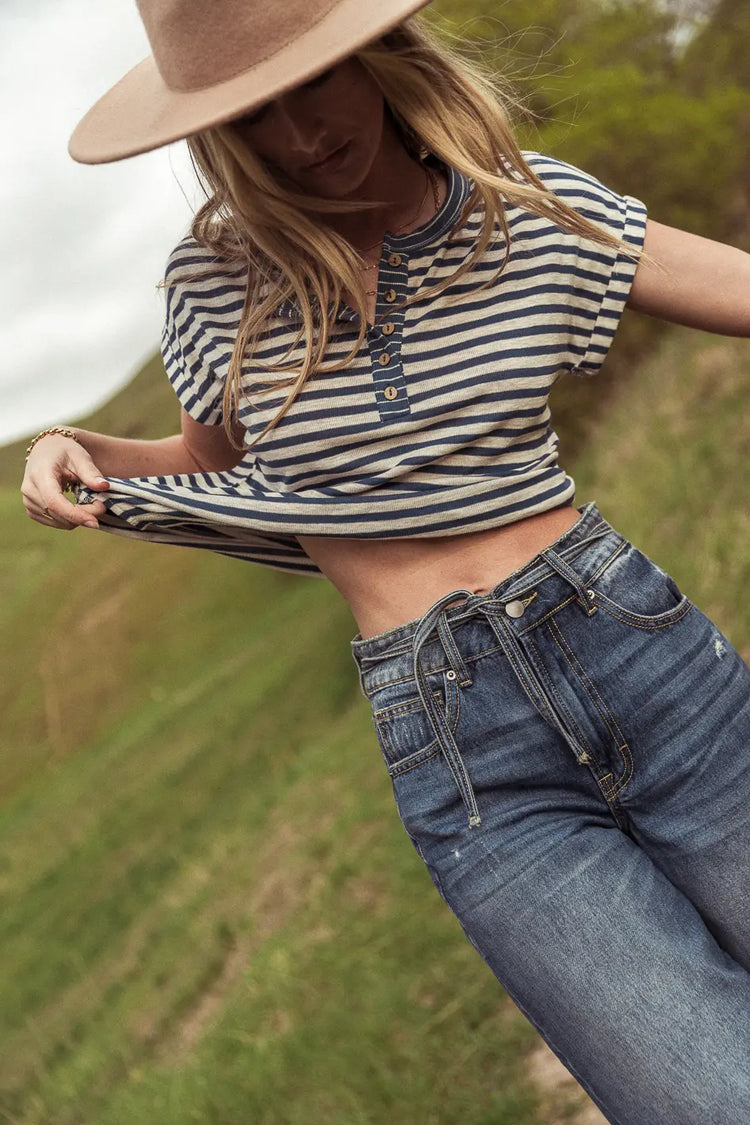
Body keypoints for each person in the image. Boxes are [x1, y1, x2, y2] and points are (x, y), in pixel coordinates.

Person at [21, 2, 750, 1121]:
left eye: (312, 85)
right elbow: (215, 466)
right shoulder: (210, 286)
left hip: (651, 670)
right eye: (250, 116)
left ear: (372, 56)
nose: (298, 136)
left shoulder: (528, 209)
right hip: (472, 763)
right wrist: (81, 451)